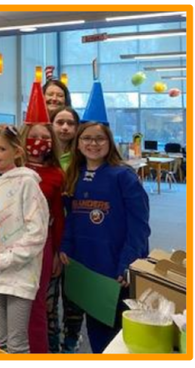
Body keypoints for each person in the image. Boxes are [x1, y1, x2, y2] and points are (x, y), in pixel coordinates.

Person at [60, 122, 150, 353]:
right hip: (87, 264)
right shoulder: (74, 175)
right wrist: (66, 246)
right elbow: (70, 217)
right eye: (86, 138)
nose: (93, 143)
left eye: (100, 138)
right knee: (97, 326)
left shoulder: (123, 176)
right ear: (78, 143)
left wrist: (129, 262)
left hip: (116, 264)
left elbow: (139, 225)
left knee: (120, 332)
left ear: (109, 142)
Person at [0, 125, 49, 354]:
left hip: (20, 273)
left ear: (16, 151)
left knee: (17, 344)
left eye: (1, 149)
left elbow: (37, 233)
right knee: (0, 341)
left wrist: (3, 258)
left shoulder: (27, 182)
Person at [22, 123, 66, 353]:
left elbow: (58, 216)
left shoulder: (56, 174)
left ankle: (38, 352)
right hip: (9, 242)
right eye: (33, 136)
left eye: (44, 137)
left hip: (42, 244)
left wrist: (58, 251)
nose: (38, 141)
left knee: (37, 301)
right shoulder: (10, 167)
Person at [49, 105, 83, 352]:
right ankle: (51, 339)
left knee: (73, 293)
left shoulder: (83, 159)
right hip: (49, 234)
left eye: (70, 123)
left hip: (77, 234)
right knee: (49, 291)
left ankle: (71, 337)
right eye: (59, 122)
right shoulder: (42, 157)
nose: (64, 127)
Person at [51, 106, 80, 171]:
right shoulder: (43, 152)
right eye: (60, 123)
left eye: (70, 123)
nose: (65, 127)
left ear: (77, 127)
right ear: (51, 125)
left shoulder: (82, 155)